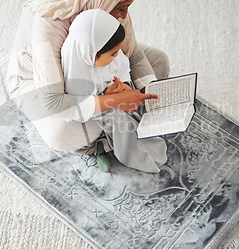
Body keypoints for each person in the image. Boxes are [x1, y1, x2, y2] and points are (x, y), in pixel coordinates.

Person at [7, 0, 170, 154]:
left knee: (158, 61)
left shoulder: (107, 3)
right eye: (122, 8)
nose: (125, 15)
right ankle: (103, 141)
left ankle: (110, 120)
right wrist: (114, 99)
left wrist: (149, 96)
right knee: (63, 133)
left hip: (99, 63)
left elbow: (133, 55)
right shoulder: (49, 19)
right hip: (41, 83)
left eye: (128, 7)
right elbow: (54, 102)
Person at [61, 9, 167, 173]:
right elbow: (80, 110)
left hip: (113, 94)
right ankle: (127, 153)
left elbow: (123, 66)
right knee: (117, 119)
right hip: (95, 110)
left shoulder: (110, 55)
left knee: (137, 105)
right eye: (113, 53)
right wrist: (107, 97)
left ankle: (145, 139)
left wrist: (124, 85)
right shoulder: (75, 71)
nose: (117, 56)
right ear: (92, 54)